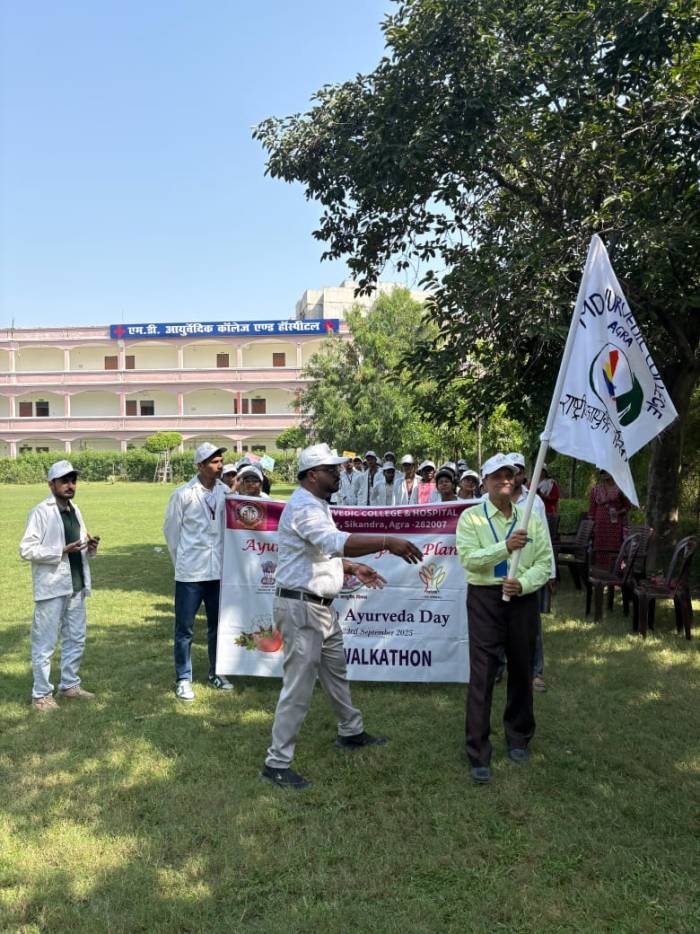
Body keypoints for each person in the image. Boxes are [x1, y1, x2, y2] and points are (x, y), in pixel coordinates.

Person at [261, 443, 423, 790]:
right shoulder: (304, 506)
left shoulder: (317, 504)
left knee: (335, 673)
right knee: (298, 687)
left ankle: (351, 731)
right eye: (331, 469)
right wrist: (386, 541)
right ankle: (276, 763)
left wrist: (350, 567)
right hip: (302, 608)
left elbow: (318, 553)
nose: (338, 474)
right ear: (312, 475)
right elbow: (334, 542)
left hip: (318, 607)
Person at [456, 453, 552, 785]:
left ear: (518, 480)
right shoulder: (471, 517)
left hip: (522, 599)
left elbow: (544, 562)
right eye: (497, 476)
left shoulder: (531, 518)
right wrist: (506, 547)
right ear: (484, 482)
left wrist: (523, 583)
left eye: (510, 475)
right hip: (485, 599)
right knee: (482, 672)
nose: (505, 480)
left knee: (522, 667)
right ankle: (478, 751)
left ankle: (519, 736)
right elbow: (470, 560)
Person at [20, 460, 100, 710]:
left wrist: (90, 548)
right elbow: (26, 549)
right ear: (51, 484)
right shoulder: (41, 512)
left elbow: (79, 545)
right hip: (52, 587)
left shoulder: (75, 510)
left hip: (76, 584)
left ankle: (69, 685)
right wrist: (60, 550)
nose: (70, 485)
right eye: (64, 481)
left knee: (76, 638)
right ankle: (41, 695)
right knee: (45, 642)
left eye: (73, 480)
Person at [163, 442, 233, 701]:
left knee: (218, 626)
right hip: (190, 574)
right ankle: (183, 678)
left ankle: (216, 673)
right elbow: (171, 532)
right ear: (200, 466)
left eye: (220, 461)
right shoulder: (183, 494)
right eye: (214, 462)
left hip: (218, 572)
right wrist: (181, 562)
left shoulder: (226, 493)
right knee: (185, 628)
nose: (220, 465)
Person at [506, 453, 556, 693]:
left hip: (528, 572)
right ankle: (498, 668)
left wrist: (550, 572)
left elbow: (544, 537)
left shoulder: (534, 501)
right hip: (499, 571)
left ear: (524, 474)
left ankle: (535, 672)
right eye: (509, 471)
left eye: (518, 471)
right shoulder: (490, 499)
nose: (514, 475)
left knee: (531, 625)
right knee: (498, 623)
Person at [588, 470, 631, 568]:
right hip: (600, 525)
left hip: (614, 525)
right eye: (602, 472)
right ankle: (599, 570)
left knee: (614, 547)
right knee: (599, 546)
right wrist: (591, 525)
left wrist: (618, 512)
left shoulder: (620, 488)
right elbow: (591, 510)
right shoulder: (596, 489)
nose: (604, 474)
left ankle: (615, 570)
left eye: (606, 471)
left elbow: (627, 506)